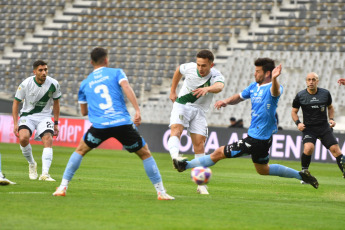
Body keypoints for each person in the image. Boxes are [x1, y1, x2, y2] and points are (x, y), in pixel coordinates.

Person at [173, 58, 319, 189]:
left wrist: (274, 79)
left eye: (257, 71)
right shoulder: (254, 86)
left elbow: (275, 92)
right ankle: (301, 175)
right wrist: (225, 101)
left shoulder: (274, 87)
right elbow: (239, 97)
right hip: (261, 139)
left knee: (218, 153)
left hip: (257, 139)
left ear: (267, 73)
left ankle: (185, 166)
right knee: (263, 169)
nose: (254, 74)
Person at [53, 47, 174, 200]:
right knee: (145, 153)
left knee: (80, 150)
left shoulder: (85, 83)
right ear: (106, 60)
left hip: (100, 126)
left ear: (91, 62)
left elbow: (83, 112)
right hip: (122, 123)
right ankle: (161, 192)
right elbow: (126, 87)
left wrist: (98, 110)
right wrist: (137, 110)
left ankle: (62, 187)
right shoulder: (116, 72)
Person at [168, 49, 225, 194]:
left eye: (204, 65)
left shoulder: (216, 75)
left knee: (199, 144)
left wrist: (208, 89)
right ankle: (175, 157)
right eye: (199, 64)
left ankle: (200, 184)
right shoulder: (190, 67)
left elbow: (220, 86)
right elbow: (178, 71)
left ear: (211, 65)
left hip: (200, 110)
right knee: (176, 129)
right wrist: (173, 90)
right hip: (183, 105)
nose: (200, 68)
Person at [12, 60, 61, 181]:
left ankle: (45, 174)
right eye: (41, 70)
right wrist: (15, 123)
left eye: (45, 70)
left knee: (48, 139)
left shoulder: (53, 84)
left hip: (44, 117)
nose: (44, 72)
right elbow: (15, 103)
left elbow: (56, 103)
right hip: (27, 116)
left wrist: (56, 123)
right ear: (34, 72)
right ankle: (32, 163)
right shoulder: (25, 84)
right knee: (23, 138)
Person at [291, 72, 345, 183]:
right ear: (306, 81)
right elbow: (294, 111)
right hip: (309, 128)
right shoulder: (300, 95)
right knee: (308, 148)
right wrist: (298, 123)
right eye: (309, 79)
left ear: (317, 81)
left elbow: (330, 107)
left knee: (336, 151)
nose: (311, 82)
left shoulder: (325, 93)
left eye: (313, 79)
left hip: (324, 127)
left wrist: (331, 119)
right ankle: (305, 175)